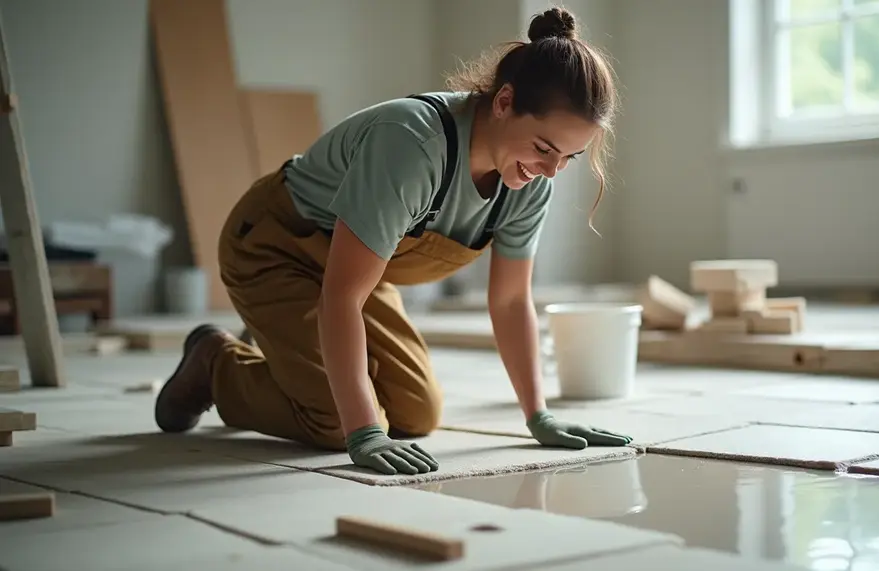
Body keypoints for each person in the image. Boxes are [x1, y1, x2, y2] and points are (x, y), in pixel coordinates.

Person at [153, 7, 633, 476]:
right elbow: (342, 295)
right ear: (504, 102)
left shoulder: (529, 183)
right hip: (277, 246)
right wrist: (361, 432)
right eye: (544, 148)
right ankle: (215, 362)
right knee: (333, 421)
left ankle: (285, 344)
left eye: (570, 157)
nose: (549, 171)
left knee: (417, 413)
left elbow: (510, 301)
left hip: (359, 265)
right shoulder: (413, 145)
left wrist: (537, 415)